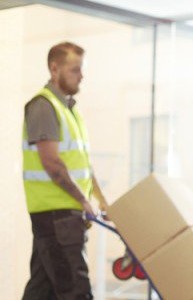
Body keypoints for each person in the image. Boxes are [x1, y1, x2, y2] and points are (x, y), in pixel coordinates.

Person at [22, 41, 107, 299]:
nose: (82, 76)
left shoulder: (70, 110)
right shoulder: (44, 106)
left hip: (63, 215)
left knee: (42, 289)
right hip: (56, 216)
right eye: (75, 69)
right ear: (54, 68)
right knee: (75, 290)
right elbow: (52, 164)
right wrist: (83, 200)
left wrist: (101, 200)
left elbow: (80, 162)